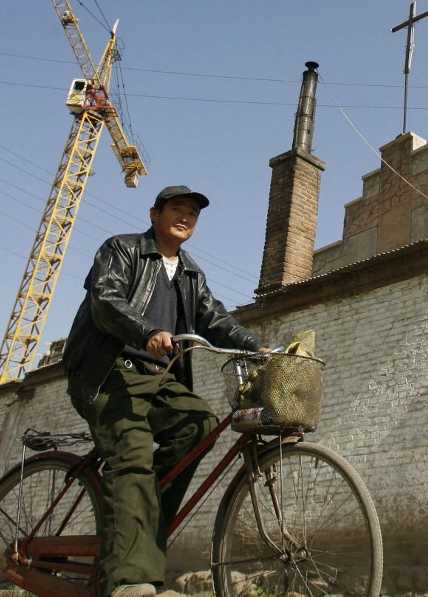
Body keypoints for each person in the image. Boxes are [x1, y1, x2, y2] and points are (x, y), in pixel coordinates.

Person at [63, 185, 267, 597]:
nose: (186, 217)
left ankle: (136, 517)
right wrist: (146, 331)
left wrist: (255, 345)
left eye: (193, 213)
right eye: (177, 209)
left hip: (157, 377)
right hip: (107, 371)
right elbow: (106, 300)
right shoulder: (122, 249)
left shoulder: (191, 273)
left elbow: (216, 320)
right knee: (134, 453)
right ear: (154, 213)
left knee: (201, 426)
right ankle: (129, 581)